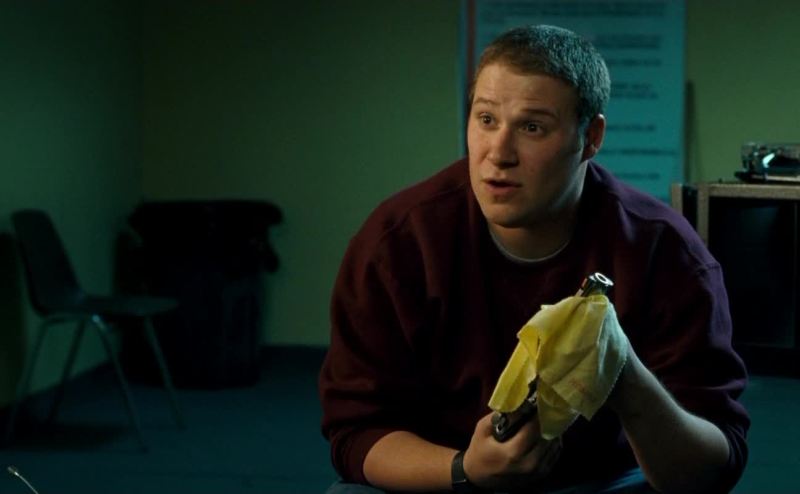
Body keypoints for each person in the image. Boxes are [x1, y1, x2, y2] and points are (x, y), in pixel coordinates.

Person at [319, 25, 749, 494]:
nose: (498, 154)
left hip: (604, 480)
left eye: (532, 128)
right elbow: (356, 432)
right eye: (486, 119)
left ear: (590, 138)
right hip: (442, 475)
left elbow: (712, 467)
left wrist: (627, 380)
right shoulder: (398, 242)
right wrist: (465, 470)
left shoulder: (665, 252)